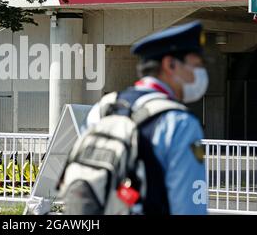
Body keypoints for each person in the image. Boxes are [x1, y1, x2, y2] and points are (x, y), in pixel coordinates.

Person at [83, 21, 208, 215]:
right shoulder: (179, 123)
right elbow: (188, 207)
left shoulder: (102, 109)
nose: (199, 73)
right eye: (196, 65)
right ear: (170, 64)